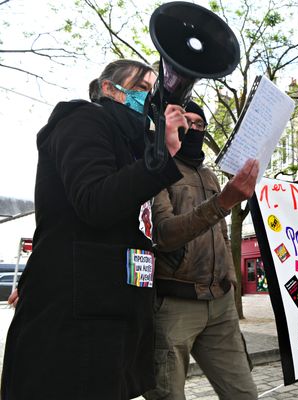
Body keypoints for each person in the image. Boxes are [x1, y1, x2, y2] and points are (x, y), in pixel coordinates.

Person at [1, 59, 191, 399]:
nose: (147, 99)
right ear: (108, 88)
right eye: (140, 89)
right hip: (77, 320)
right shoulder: (82, 120)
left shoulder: (133, 145)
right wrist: (161, 156)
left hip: (114, 313)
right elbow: (94, 202)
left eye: (151, 92)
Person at [143, 101, 259, 400]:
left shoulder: (209, 175)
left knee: (243, 392)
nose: (193, 128)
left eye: (199, 125)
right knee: (167, 394)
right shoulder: (156, 168)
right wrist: (223, 202)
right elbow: (164, 234)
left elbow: (221, 235)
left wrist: (231, 286)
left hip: (220, 304)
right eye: (186, 121)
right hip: (174, 303)